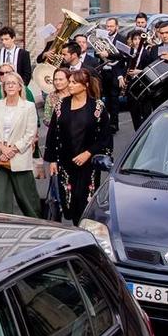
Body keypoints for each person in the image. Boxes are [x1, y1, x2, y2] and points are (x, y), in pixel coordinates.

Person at [44, 68, 114, 224]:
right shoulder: (61, 106)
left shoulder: (97, 107)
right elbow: (53, 134)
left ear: (85, 85)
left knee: (84, 200)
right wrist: (53, 160)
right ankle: (75, 228)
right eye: (70, 82)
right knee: (69, 202)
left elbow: (105, 136)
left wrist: (88, 153)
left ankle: (84, 231)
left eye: (74, 83)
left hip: (88, 164)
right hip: (65, 162)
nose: (70, 85)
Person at [0, 70, 41, 217]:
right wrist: (2, 148)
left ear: (20, 87)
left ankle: (37, 226)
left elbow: (30, 134)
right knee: (0, 201)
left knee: (27, 200)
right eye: (7, 83)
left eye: (13, 83)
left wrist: (12, 150)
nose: (10, 86)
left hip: (19, 158)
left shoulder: (28, 107)